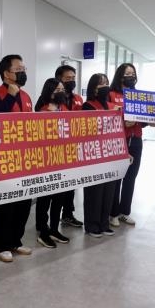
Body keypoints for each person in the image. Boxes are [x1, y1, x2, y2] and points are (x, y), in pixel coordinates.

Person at [0, 54, 33, 262]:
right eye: (18, 69)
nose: (22, 72)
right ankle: (2, 244)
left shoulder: (27, 96)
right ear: (6, 73)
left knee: (23, 201)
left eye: (23, 68)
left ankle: (16, 240)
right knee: (5, 203)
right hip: (4, 158)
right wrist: (11, 96)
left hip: (25, 157)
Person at [108, 63, 155, 227]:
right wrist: (123, 122)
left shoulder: (138, 96)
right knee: (117, 177)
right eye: (127, 73)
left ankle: (124, 212)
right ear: (120, 76)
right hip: (118, 141)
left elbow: (142, 120)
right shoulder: (111, 94)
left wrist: (150, 121)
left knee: (131, 177)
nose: (131, 76)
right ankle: (113, 213)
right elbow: (106, 118)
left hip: (136, 139)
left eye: (133, 73)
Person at [34, 78, 71, 248]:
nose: (61, 92)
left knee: (59, 197)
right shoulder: (41, 111)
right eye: (58, 89)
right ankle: (43, 231)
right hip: (46, 162)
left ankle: (54, 229)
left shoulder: (64, 109)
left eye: (63, 89)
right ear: (49, 92)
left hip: (62, 160)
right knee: (45, 199)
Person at [82, 73, 119, 238]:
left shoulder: (111, 106)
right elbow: (89, 129)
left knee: (108, 191)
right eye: (101, 84)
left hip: (110, 153)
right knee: (94, 192)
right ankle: (92, 224)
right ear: (93, 88)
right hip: (94, 155)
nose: (105, 87)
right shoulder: (87, 105)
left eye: (106, 83)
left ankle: (104, 223)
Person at [54, 65, 84, 228]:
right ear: (59, 79)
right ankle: (48, 221)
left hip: (73, 147)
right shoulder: (50, 99)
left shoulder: (78, 98)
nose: (71, 81)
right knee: (58, 187)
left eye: (73, 78)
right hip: (57, 149)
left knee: (71, 183)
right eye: (67, 78)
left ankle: (68, 214)